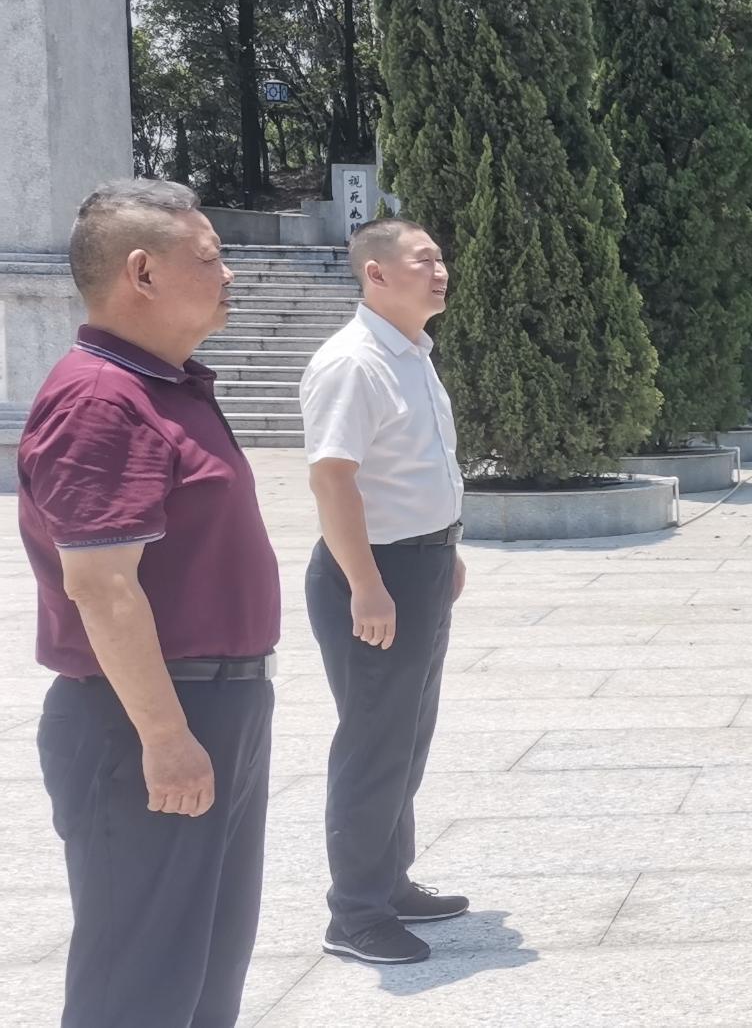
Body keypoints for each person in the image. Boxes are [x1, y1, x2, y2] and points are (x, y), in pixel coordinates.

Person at [19, 179, 281, 1027]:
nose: (230, 273)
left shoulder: (162, 385)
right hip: (143, 719)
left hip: (215, 703)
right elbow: (99, 582)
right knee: (139, 986)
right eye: (210, 257)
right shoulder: (102, 398)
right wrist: (166, 739)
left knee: (201, 971)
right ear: (142, 272)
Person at [299, 218, 470, 966]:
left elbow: (414, 469)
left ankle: (389, 879)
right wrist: (366, 584)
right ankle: (356, 913)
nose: (439, 271)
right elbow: (332, 478)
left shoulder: (411, 354)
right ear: (376, 274)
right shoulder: (354, 362)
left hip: (420, 567)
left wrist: (447, 550)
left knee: (406, 737)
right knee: (373, 743)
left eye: (440, 259)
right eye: (423, 260)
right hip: (374, 573)